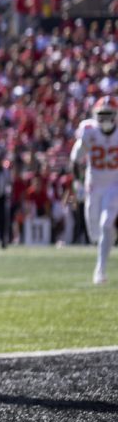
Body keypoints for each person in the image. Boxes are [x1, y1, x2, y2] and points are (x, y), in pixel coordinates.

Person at [70, 96, 118, 284]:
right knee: (94, 231)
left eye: (108, 114)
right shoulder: (89, 131)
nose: (104, 118)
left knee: (106, 224)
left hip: (114, 185)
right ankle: (102, 243)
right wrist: (78, 182)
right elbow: (75, 158)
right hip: (94, 184)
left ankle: (100, 270)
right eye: (101, 114)